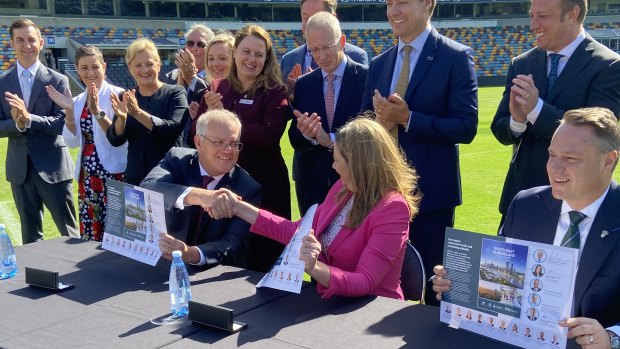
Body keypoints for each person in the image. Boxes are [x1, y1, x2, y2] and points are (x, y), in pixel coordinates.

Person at [433, 107, 620, 348]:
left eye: (570, 159)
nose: (554, 168)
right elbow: (501, 279)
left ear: (609, 160)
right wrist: (456, 281)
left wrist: (612, 337)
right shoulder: (526, 205)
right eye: (552, 155)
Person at [213, 117, 420, 299]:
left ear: (359, 166)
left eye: (338, 160)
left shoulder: (393, 208)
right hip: (332, 303)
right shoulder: (343, 188)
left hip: (368, 312)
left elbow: (364, 281)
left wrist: (313, 267)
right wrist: (238, 207)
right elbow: (296, 232)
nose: (333, 167)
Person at [360, 0, 478, 305]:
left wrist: (408, 119)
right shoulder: (379, 63)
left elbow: (466, 126)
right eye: (388, 3)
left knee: (431, 290)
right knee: (381, 282)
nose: (393, 11)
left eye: (402, 2)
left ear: (428, 3)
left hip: (431, 197)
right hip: (382, 193)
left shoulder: (455, 57)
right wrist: (378, 122)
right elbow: (364, 124)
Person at [490, 0, 620, 225]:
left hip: (577, 206)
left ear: (572, 14)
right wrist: (517, 122)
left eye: (542, 16)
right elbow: (501, 129)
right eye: (532, 16)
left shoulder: (608, 66)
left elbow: (596, 135)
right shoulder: (522, 63)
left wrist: (535, 110)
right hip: (521, 202)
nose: (533, 25)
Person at [194, 24, 292, 272]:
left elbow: (268, 135)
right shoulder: (216, 87)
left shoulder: (275, 91)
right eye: (246, 51)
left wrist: (225, 118)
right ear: (235, 51)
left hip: (266, 186)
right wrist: (206, 115)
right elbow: (197, 134)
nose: (252, 59)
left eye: (259, 54)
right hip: (224, 185)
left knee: (265, 257)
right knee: (226, 254)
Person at [141, 109, 262, 268]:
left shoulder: (248, 188)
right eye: (218, 142)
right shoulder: (176, 159)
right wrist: (203, 196)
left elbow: (234, 244)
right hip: (159, 263)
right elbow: (147, 188)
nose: (228, 150)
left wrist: (191, 253)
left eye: (233, 143)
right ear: (198, 142)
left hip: (208, 275)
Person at [0, 18, 79, 243]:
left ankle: (78, 278)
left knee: (69, 233)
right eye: (20, 40)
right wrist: (17, 123)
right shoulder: (2, 83)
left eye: (31, 40)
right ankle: (36, 279)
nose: (27, 45)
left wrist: (29, 119)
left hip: (53, 168)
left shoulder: (58, 80)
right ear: (12, 44)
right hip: (20, 171)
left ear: (41, 43)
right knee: (30, 236)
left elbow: (61, 123)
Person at [289, 11, 368, 216]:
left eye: (327, 47)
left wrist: (331, 140)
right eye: (314, 50)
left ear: (341, 41)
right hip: (313, 188)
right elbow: (294, 138)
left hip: (355, 184)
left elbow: (372, 133)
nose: (321, 57)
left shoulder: (367, 77)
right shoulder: (304, 84)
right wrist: (307, 133)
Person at [46, 45, 127, 241]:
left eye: (95, 67)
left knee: (120, 229)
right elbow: (71, 142)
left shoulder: (120, 95)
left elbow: (121, 138)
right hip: (88, 175)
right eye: (84, 68)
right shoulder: (77, 101)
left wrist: (97, 110)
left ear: (104, 67)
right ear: (77, 70)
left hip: (115, 172)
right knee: (92, 230)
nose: (90, 73)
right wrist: (69, 113)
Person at [106, 38, 189, 186]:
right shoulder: (125, 97)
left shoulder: (175, 93)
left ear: (158, 65)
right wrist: (122, 119)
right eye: (138, 65)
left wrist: (137, 113)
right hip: (135, 179)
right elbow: (116, 140)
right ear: (130, 68)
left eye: (149, 64)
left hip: (168, 179)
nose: (144, 70)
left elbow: (172, 130)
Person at [281, 0, 368, 94]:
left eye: (317, 17)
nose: (310, 24)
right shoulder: (288, 60)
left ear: (333, 18)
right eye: (306, 18)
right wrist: (295, 91)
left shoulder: (357, 57)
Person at [187, 31, 235, 138]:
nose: (215, 64)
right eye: (211, 59)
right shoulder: (210, 90)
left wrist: (219, 114)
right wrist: (202, 117)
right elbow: (193, 137)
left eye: (222, 58)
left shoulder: (243, 90)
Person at [162, 24, 214, 104]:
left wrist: (191, 78)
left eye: (201, 44)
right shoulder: (171, 76)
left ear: (210, 49)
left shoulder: (215, 76)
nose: (194, 48)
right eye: (190, 43)